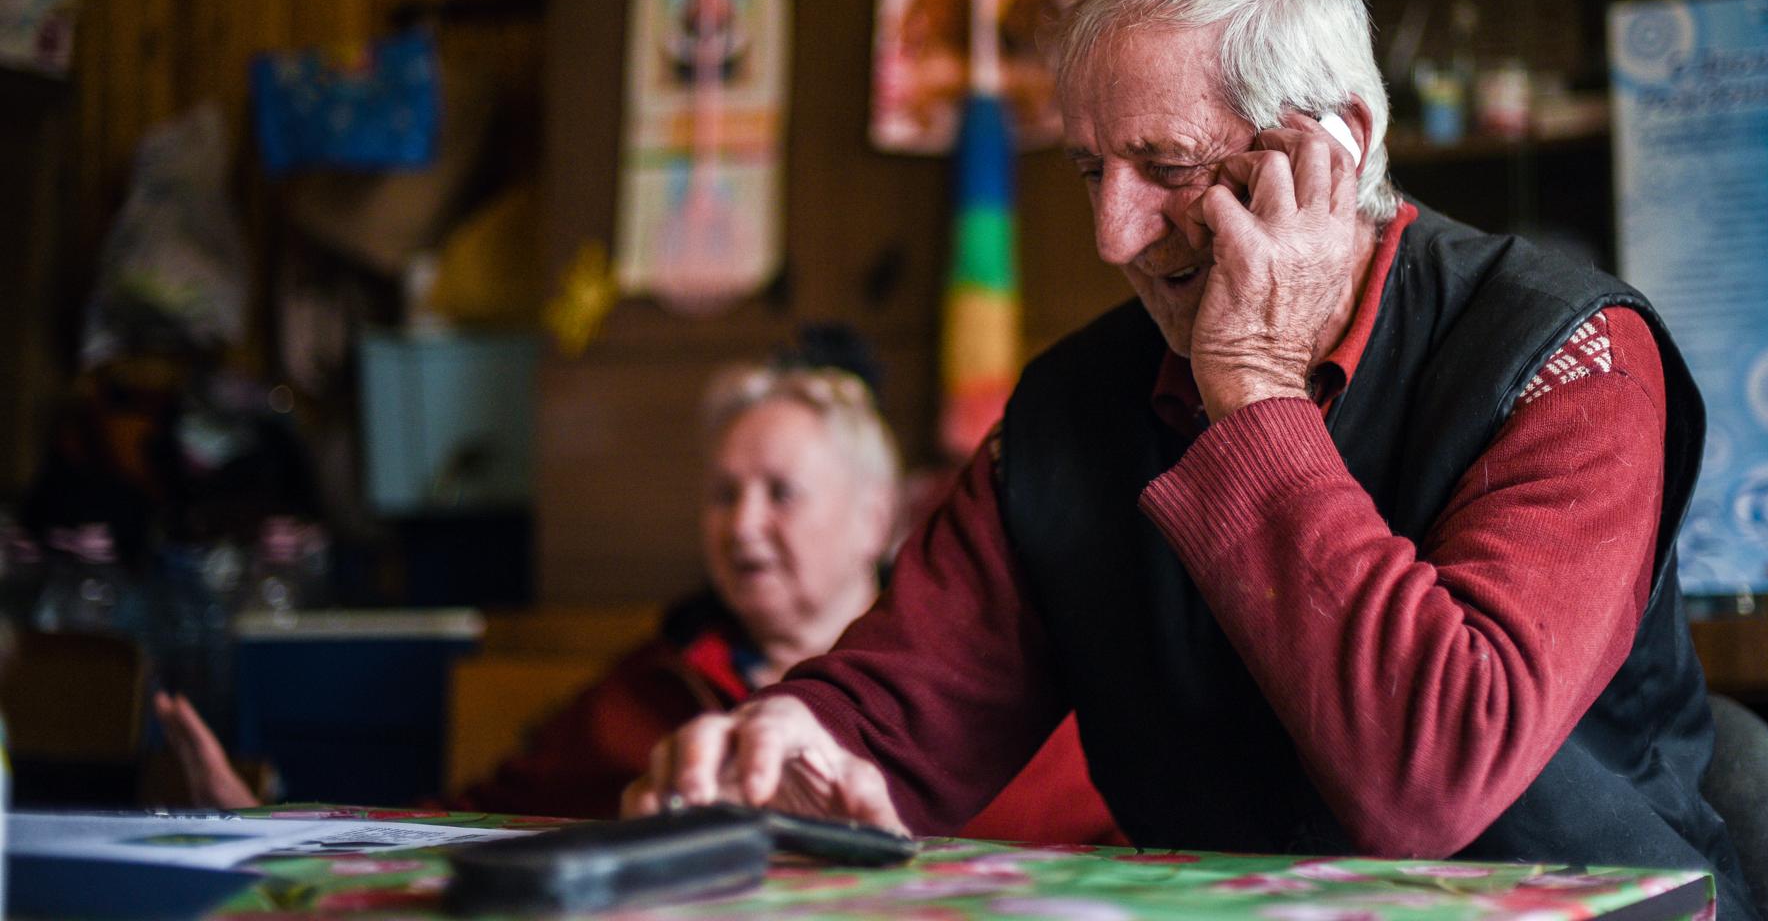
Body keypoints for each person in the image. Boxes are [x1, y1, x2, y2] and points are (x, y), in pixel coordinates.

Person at [634, 0, 1757, 920]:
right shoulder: (1074, 404)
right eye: (1090, 168)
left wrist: (1255, 394)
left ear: (1342, 141)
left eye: (1165, 166)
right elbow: (905, 704)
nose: (1114, 234)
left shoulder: (1571, 354)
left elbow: (1433, 775)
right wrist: (794, 737)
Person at [155, 352, 1118, 842]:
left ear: (877, 516)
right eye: (722, 495)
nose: (741, 527)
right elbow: (465, 825)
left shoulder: (1000, 694)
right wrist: (277, 832)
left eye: (780, 494)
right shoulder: (645, 695)